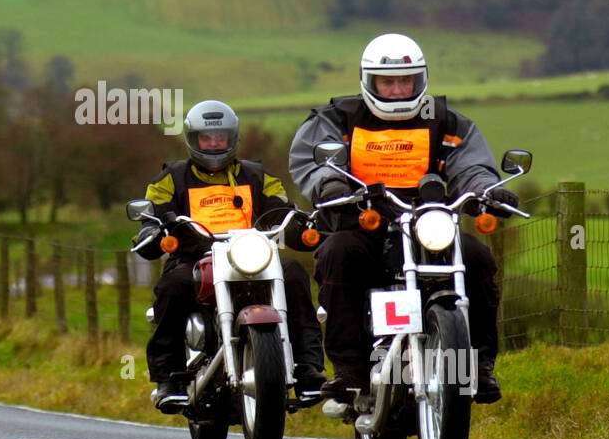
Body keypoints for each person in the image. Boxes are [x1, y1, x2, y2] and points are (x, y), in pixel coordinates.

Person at [287, 33, 519, 404]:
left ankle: (477, 366)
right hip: (365, 223)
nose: (396, 90)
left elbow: (470, 165)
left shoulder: (445, 122)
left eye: (405, 81)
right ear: (369, 81)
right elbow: (315, 163)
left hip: (429, 224)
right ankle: (350, 370)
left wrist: (486, 190)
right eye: (387, 82)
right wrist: (330, 186)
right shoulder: (338, 119)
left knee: (476, 258)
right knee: (337, 253)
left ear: (420, 80)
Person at [133, 100, 326, 412]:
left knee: (293, 274)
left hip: (251, 258)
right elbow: (152, 215)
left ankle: (308, 369)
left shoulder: (258, 175)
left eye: (220, 138)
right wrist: (153, 231)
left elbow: (280, 208)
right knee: (173, 286)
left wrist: (298, 224)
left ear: (232, 139)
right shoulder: (171, 179)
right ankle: (169, 377)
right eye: (207, 139)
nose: (214, 144)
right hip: (195, 259)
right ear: (193, 139)